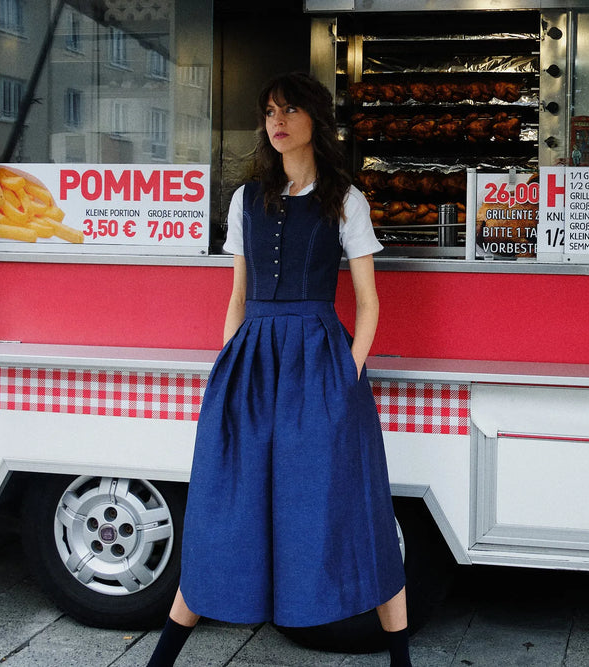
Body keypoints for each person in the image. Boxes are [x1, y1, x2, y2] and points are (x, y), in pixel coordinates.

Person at [147, 71, 410, 667]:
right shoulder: (246, 199)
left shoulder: (346, 198)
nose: (276, 121)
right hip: (252, 363)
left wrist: (348, 374)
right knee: (227, 505)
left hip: (321, 363)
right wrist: (227, 368)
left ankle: (400, 658)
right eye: (269, 111)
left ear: (315, 118)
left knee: (348, 504)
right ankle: (163, 657)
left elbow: (367, 301)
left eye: (289, 109)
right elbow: (237, 294)